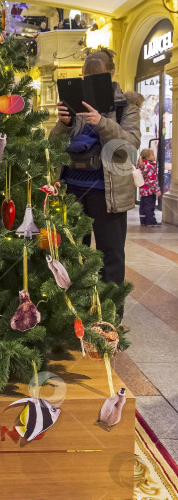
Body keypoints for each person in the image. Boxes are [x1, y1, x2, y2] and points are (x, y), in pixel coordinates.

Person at [50, 49, 142, 309]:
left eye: (98, 77)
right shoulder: (75, 102)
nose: (92, 82)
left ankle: (111, 315)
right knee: (72, 254)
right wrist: (64, 124)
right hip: (71, 190)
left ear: (112, 73)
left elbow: (131, 147)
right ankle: (75, 312)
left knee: (110, 256)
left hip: (108, 194)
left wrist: (102, 122)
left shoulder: (127, 105)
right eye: (87, 77)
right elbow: (53, 146)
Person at [137, 148, 161, 226]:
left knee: (143, 207)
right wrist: (156, 190)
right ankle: (151, 222)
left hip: (143, 190)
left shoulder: (141, 164)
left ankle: (143, 221)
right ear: (147, 157)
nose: (154, 156)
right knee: (150, 207)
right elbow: (152, 179)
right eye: (152, 155)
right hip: (149, 191)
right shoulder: (149, 166)